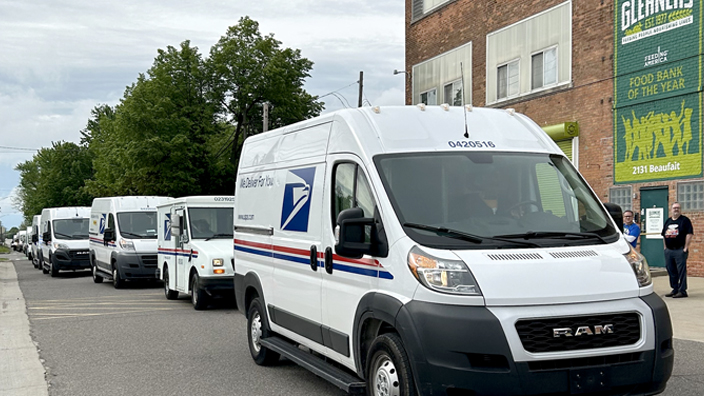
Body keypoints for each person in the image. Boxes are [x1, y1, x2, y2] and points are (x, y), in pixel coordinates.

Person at [661, 202, 693, 298]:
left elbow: (689, 234)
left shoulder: (685, 220)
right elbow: (664, 235)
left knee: (681, 271)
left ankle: (682, 291)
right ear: (671, 209)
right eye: (674, 208)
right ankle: (675, 289)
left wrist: (685, 247)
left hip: (679, 250)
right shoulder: (668, 221)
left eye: (678, 208)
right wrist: (665, 247)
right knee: (671, 270)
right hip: (669, 251)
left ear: (680, 209)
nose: (676, 209)